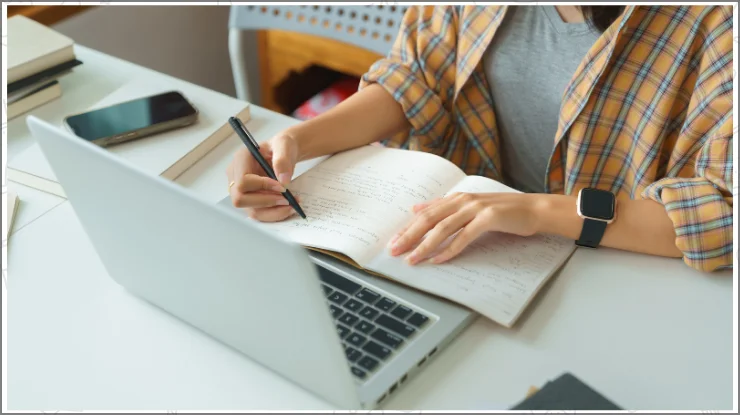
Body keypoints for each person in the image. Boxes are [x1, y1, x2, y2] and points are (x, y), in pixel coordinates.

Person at [227, 5, 733, 272]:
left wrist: (536, 212)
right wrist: (296, 141)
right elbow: (417, 77)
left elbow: (724, 210)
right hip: (470, 249)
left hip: (617, 266)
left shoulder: (716, 20)